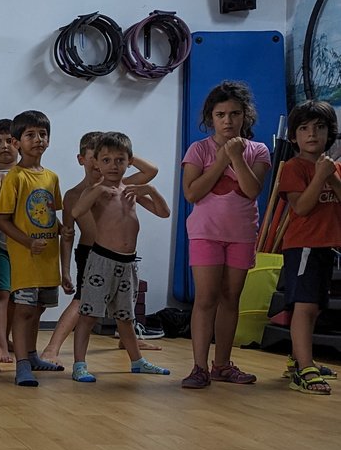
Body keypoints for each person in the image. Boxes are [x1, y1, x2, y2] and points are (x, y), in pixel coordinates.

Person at [181, 79, 271, 389]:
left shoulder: (258, 150)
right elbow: (192, 193)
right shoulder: (199, 149)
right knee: (205, 298)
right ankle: (198, 366)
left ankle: (221, 364)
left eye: (234, 114)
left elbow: (251, 190)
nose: (228, 121)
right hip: (206, 233)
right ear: (211, 118)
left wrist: (236, 156)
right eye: (221, 115)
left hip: (242, 234)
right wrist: (222, 158)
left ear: (245, 115)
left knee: (230, 298)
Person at [43, 132, 158, 364]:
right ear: (84, 159)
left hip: (122, 256)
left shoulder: (122, 185)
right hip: (91, 253)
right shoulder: (75, 195)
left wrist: (127, 156)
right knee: (83, 301)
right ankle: (52, 348)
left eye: (116, 159)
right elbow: (67, 234)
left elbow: (151, 172)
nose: (106, 164)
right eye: (101, 159)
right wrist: (64, 270)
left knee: (125, 303)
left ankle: (128, 340)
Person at [69, 133, 170, 382]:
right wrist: (97, 191)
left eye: (119, 160)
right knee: (89, 314)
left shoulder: (131, 190)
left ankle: (137, 361)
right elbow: (76, 211)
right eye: (106, 160)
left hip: (128, 264)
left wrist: (152, 190)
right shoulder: (95, 191)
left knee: (126, 316)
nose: (113, 166)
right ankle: (79, 364)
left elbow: (164, 212)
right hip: (102, 260)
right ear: (97, 164)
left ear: (129, 162)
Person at [0, 109, 67, 388]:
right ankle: (22, 364)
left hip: (48, 259)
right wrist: (27, 242)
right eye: (30, 135)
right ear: (16, 142)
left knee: (38, 309)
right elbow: (2, 220)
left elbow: (48, 214)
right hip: (25, 259)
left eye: (43, 134)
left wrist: (62, 229)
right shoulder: (15, 177)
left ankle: (33, 356)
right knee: (23, 310)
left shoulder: (51, 178)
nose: (38, 140)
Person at [277, 99, 341, 394]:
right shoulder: (293, 167)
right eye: (304, 128)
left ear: (331, 133)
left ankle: (300, 357)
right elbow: (301, 207)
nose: (312, 134)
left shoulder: (334, 167)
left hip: (326, 246)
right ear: (294, 136)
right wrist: (320, 177)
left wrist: (330, 174)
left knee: (315, 308)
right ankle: (304, 368)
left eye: (319, 128)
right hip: (303, 246)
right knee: (304, 307)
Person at [0, 117, 18, 365]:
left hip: (26, 246)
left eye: (10, 141)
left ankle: (8, 338)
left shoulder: (29, 175)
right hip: (0, 244)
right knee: (0, 294)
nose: (5, 146)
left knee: (19, 298)